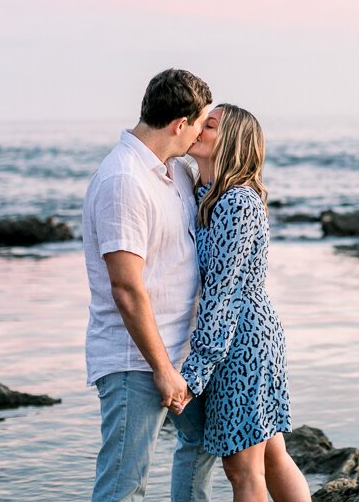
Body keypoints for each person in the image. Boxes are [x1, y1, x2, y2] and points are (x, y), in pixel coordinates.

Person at [82, 68, 217, 502]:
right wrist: (161, 369)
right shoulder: (124, 180)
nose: (199, 133)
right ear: (180, 124)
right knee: (125, 486)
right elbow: (126, 286)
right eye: (200, 123)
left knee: (201, 445)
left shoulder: (173, 171)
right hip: (137, 360)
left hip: (184, 353)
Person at [177, 104, 311, 502]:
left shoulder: (236, 203)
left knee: (243, 470)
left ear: (232, 141)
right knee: (271, 453)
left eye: (210, 124)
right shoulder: (205, 194)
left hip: (243, 343)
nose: (198, 127)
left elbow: (224, 292)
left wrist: (195, 371)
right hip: (242, 336)